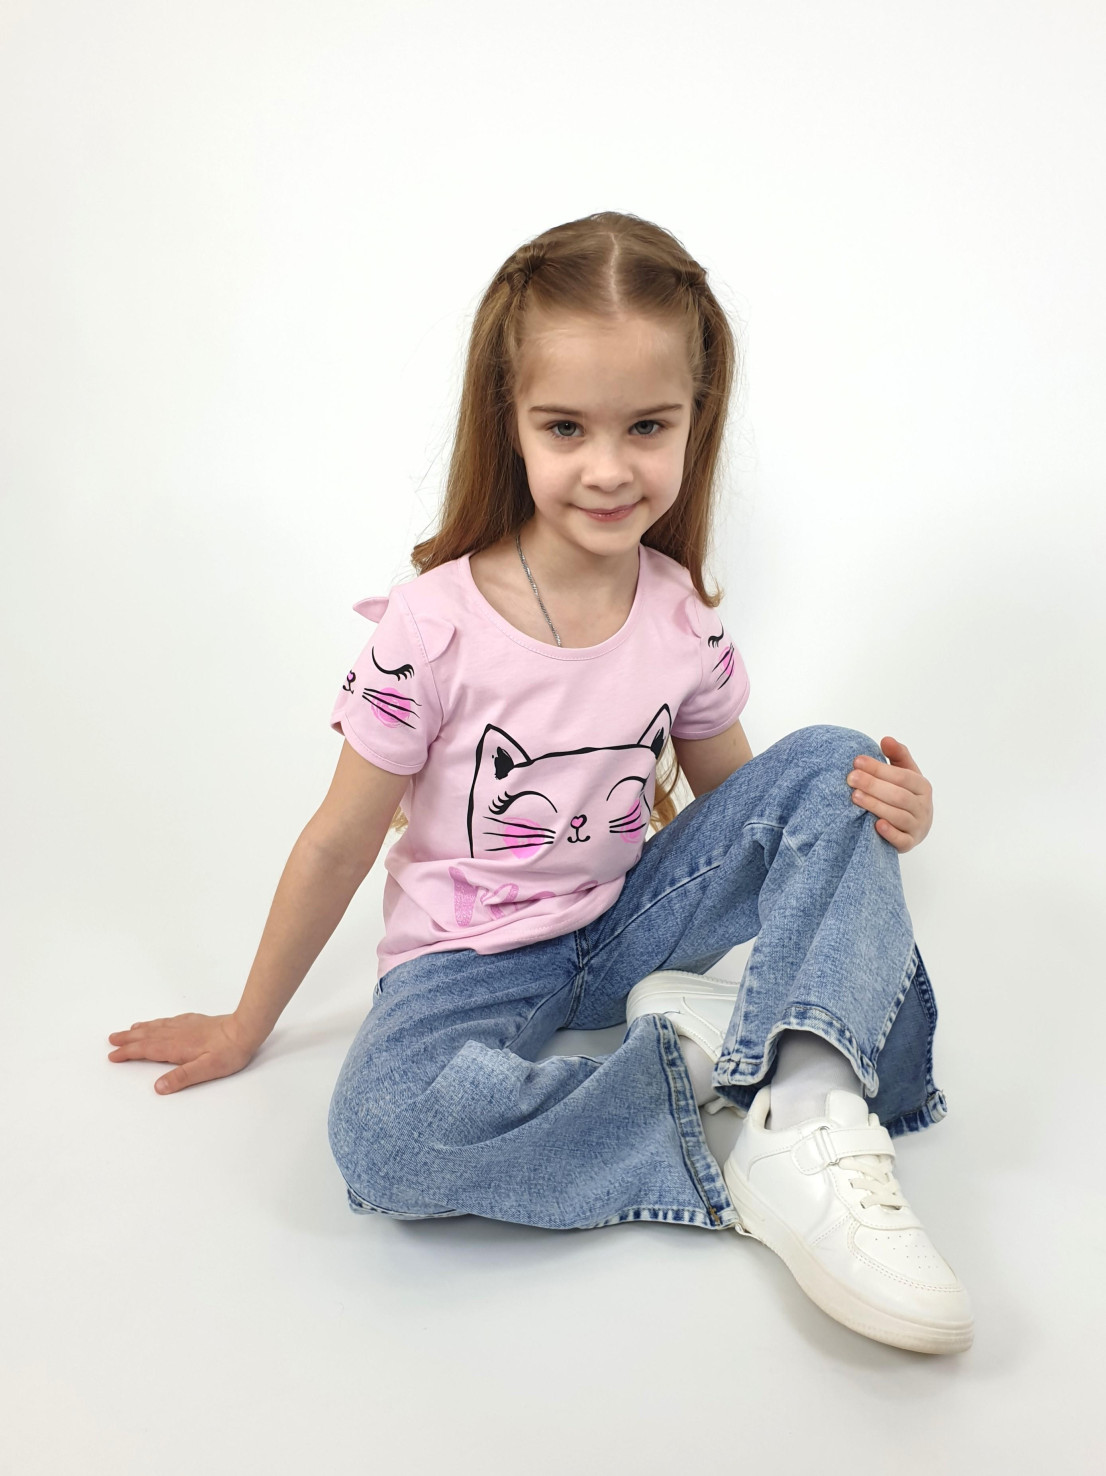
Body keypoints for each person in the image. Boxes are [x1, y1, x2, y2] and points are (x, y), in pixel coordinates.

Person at [107, 211, 972, 1356]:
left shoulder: (678, 616)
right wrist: (244, 1022)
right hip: (464, 962)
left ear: (693, 420)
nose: (607, 468)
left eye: (645, 426)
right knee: (383, 1138)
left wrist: (874, 812)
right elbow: (336, 842)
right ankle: (699, 1087)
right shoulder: (430, 630)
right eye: (565, 427)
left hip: (625, 927)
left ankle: (803, 1109)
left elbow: (748, 812)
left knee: (831, 760)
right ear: (507, 423)